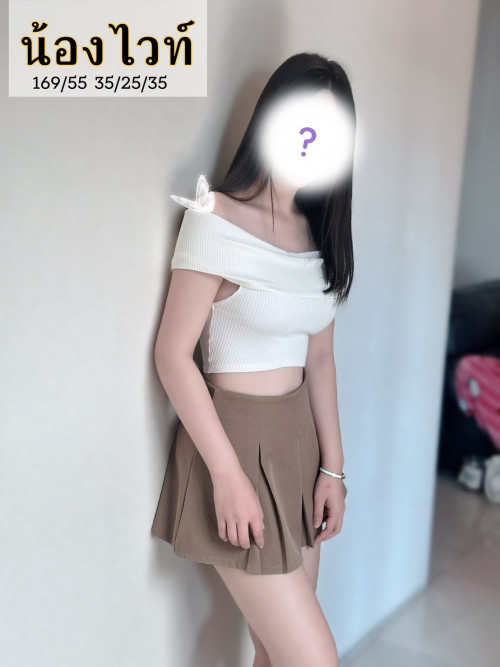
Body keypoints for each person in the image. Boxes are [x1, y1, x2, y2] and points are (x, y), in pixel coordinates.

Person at [151, 52, 356, 667]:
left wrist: (333, 470)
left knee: (273, 651)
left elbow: (321, 358)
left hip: (300, 449)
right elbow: (173, 355)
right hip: (234, 444)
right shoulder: (215, 218)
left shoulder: (319, 234)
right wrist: (227, 474)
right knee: (313, 659)